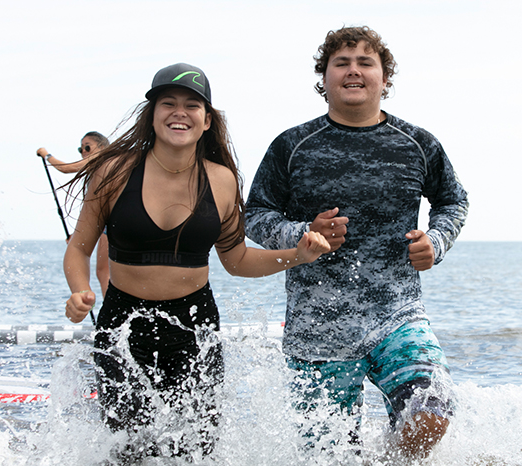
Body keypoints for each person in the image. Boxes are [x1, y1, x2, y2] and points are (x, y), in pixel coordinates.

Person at [63, 62, 330, 460]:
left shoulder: (222, 180)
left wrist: (298, 256)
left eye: (192, 105)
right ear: (151, 115)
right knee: (128, 450)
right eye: (167, 103)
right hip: (123, 325)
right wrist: (80, 291)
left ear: (207, 120)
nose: (179, 112)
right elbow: (79, 248)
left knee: (196, 451)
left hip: (194, 327)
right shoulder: (113, 172)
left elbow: (237, 260)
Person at [245, 26, 469, 459]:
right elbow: (254, 215)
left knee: (431, 414)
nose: (353, 70)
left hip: (397, 315)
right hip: (317, 329)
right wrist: (301, 233)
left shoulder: (418, 144)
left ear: (385, 79)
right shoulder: (292, 145)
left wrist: (436, 241)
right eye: (341, 63)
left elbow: (453, 201)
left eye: (366, 62)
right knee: (331, 457)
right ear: (323, 78)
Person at [37, 132, 111, 296]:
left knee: (105, 272)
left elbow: (66, 168)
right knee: (103, 271)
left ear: (102, 147)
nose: (83, 152)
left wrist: (45, 154)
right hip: (106, 222)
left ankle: (112, 313)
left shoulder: (102, 156)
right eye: (80, 149)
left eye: (87, 147)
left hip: (112, 222)